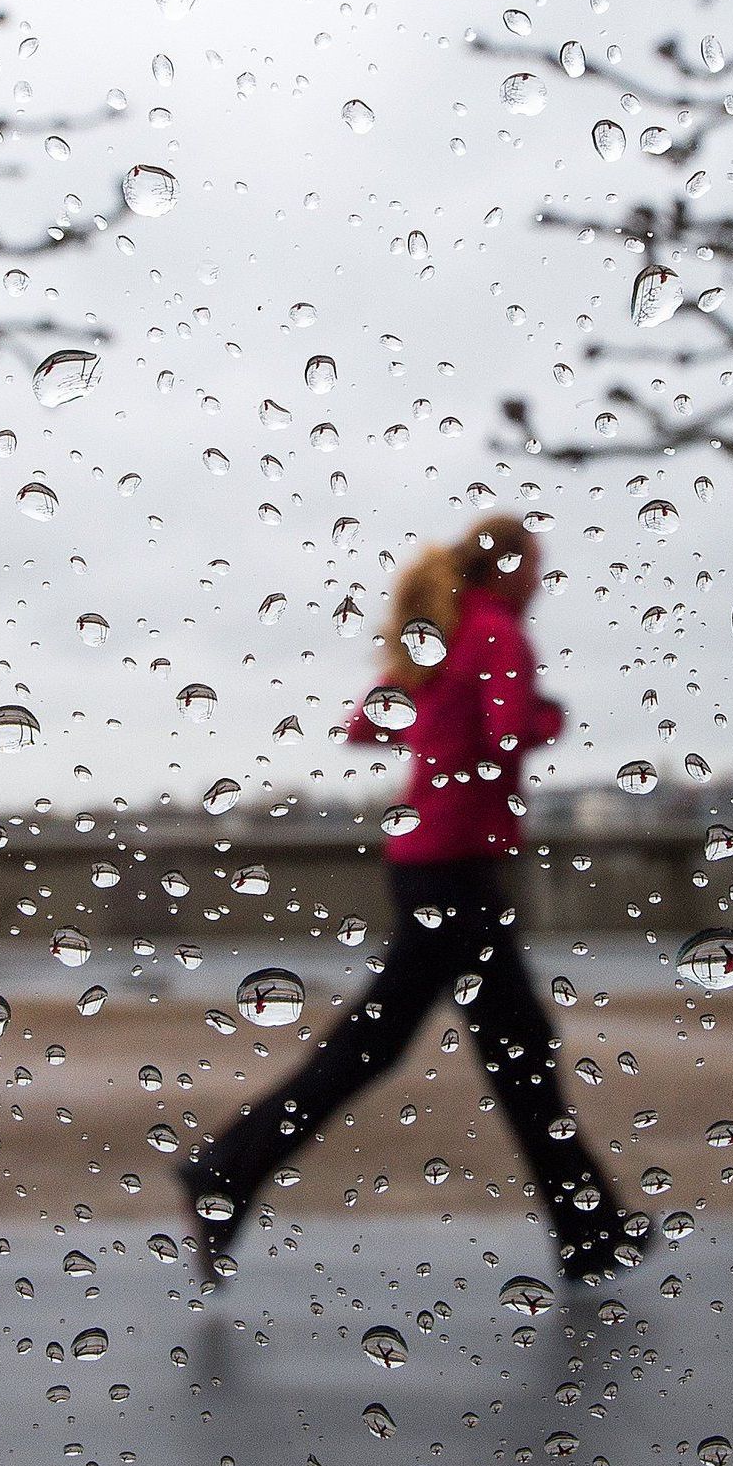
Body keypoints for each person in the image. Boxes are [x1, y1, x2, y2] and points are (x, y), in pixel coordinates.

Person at [177, 512, 649, 1285]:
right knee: (470, 1046)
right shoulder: (495, 632)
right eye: (535, 565)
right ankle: (224, 1171)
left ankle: (589, 1228)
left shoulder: (445, 629)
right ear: (505, 570)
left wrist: (440, 721)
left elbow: (366, 723)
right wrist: (547, 715)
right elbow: (506, 735)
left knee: (492, 1043)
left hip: (426, 862)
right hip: (458, 867)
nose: (541, 581)